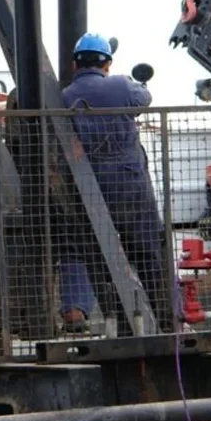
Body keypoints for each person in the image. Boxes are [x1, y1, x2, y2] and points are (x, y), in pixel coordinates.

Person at [60, 32, 178, 333]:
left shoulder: (65, 96)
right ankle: (169, 315)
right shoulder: (122, 85)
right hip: (130, 183)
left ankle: (75, 311)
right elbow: (144, 98)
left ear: (75, 64)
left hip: (89, 185)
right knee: (149, 249)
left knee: (81, 248)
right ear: (107, 63)